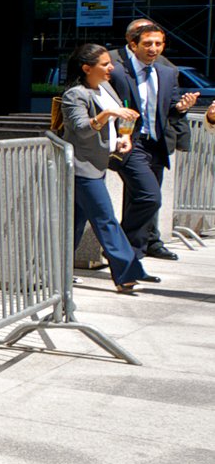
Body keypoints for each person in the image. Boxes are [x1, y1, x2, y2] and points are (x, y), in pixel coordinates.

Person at [61, 43, 157, 293]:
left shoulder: (104, 88)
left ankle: (54, 271)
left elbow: (114, 124)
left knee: (73, 225)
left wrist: (121, 138)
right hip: (81, 169)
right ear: (86, 68)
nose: (110, 68)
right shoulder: (75, 95)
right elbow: (82, 129)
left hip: (97, 166)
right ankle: (128, 272)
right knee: (106, 220)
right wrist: (107, 113)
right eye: (104, 64)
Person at [105, 18, 201, 262]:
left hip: (156, 144)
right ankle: (125, 249)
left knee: (144, 198)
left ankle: (131, 255)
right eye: (147, 43)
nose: (154, 48)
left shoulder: (166, 72)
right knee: (150, 197)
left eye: (159, 43)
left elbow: (170, 108)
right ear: (133, 44)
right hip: (129, 142)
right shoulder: (115, 69)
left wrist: (181, 107)